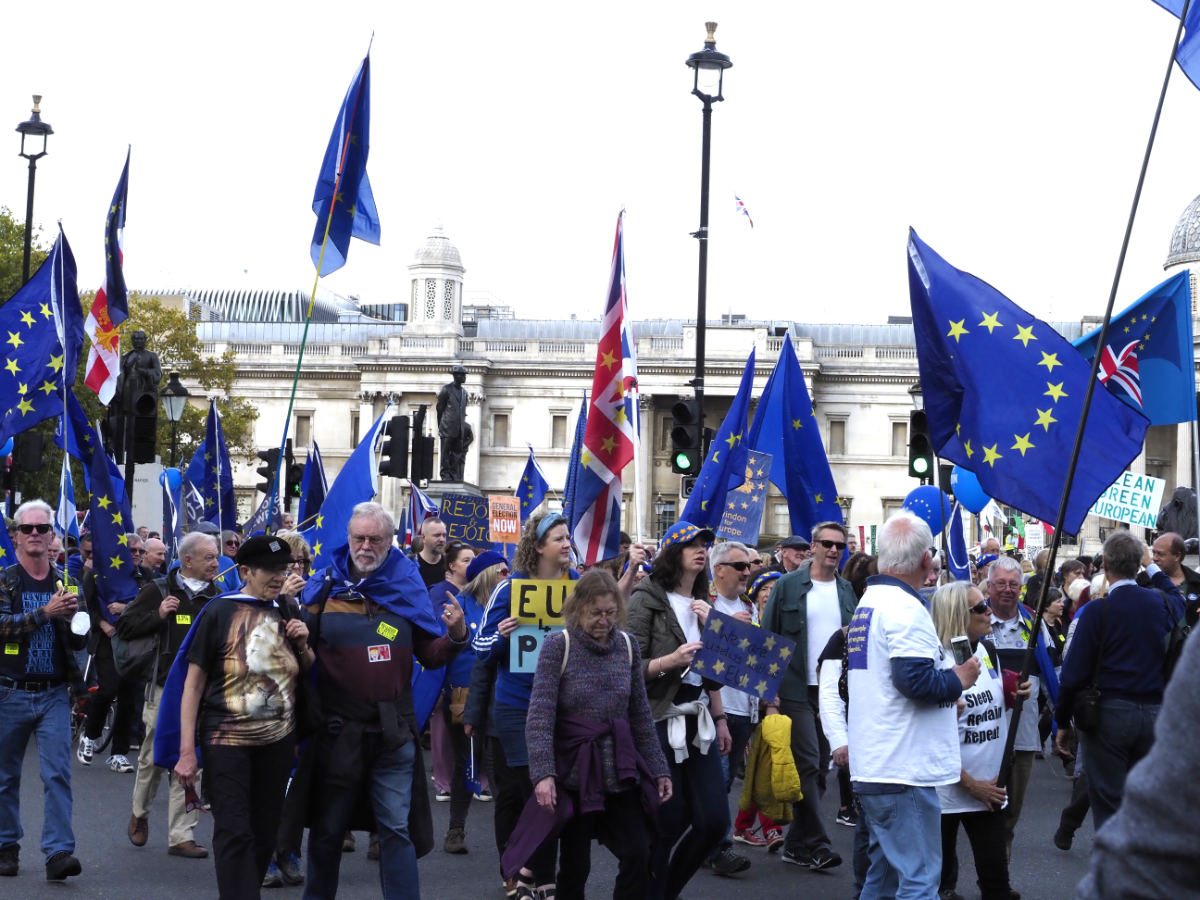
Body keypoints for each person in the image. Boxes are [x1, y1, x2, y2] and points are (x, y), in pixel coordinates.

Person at [300, 502, 468, 900]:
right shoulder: (323, 587)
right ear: (349, 538)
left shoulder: (406, 586)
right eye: (358, 538)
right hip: (336, 731)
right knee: (327, 830)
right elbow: (298, 654)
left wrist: (457, 635)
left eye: (375, 539)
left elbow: (430, 654)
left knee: (395, 829)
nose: (365, 546)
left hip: (392, 733)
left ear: (391, 541)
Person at [505, 569, 672, 899]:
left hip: (620, 772)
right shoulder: (558, 645)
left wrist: (659, 768)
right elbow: (539, 716)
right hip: (575, 774)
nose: (604, 620)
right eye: (596, 613)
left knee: (638, 852)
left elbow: (639, 714)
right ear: (578, 608)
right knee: (575, 865)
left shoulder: (627, 646)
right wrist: (543, 775)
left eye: (611, 613)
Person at [170, 535, 313, 898]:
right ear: (246, 571)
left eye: (285, 569)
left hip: (277, 744)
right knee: (235, 830)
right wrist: (187, 752)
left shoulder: (288, 609)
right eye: (271, 570)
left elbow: (306, 672)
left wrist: (303, 644)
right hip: (225, 741)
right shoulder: (220, 611)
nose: (280, 576)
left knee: (265, 831)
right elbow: (192, 686)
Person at [847, 511, 980, 899]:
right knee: (920, 881)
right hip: (902, 770)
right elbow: (914, 682)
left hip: (878, 765)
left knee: (884, 878)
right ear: (926, 560)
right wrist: (959, 679)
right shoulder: (905, 609)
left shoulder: (871, 602)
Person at [627, 520, 740, 900]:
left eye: (704, 545)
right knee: (668, 818)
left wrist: (721, 717)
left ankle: (664, 890)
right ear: (673, 553)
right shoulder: (647, 597)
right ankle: (647, 888)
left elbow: (715, 672)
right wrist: (671, 659)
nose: (700, 550)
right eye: (691, 544)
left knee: (713, 821)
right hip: (659, 718)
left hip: (700, 721)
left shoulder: (706, 603)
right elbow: (629, 666)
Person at [475, 510, 576, 899]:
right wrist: (501, 636)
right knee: (528, 793)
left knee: (552, 794)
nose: (567, 544)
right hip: (516, 708)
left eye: (569, 537)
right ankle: (516, 873)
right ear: (538, 547)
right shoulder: (510, 588)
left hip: (563, 708)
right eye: (559, 539)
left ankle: (540, 875)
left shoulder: (577, 586)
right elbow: (479, 648)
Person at [1054, 530, 1184, 829]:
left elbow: (1073, 673)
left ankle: (1114, 868)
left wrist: (1062, 722)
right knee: (1141, 802)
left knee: (1109, 804)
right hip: (1153, 713)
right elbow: (1177, 597)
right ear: (1138, 564)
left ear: (1106, 566)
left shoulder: (1097, 610)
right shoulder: (1158, 603)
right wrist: (1151, 565)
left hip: (1109, 714)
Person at [119, 532, 222, 857]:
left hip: (201, 692)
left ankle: (181, 835)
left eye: (216, 557)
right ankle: (139, 812)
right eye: (209, 557)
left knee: (190, 759)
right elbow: (125, 627)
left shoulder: (219, 597)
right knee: (152, 757)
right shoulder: (159, 590)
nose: (216, 563)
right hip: (163, 688)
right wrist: (158, 615)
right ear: (187, 560)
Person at [762, 520, 857, 870]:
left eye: (840, 545)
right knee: (807, 760)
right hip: (794, 687)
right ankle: (817, 843)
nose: (834, 550)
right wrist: (768, 698)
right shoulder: (786, 586)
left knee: (820, 767)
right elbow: (768, 640)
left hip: (834, 691)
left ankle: (796, 844)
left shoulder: (847, 590)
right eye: (827, 544)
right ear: (813, 547)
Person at [0, 500, 87, 882]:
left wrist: (72, 619)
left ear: (52, 535)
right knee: (4, 777)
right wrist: (45, 614)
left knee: (57, 774)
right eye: (27, 529)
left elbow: (80, 640)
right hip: (9, 691)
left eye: (42, 528)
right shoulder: (5, 580)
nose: (35, 534)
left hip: (54, 693)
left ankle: (58, 853)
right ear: (16, 536)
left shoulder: (67, 584)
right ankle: (6, 846)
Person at [930, 581, 1019, 900]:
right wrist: (969, 784)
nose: (989, 611)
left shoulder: (987, 648)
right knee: (939, 882)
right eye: (980, 607)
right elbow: (932, 738)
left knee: (997, 881)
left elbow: (990, 700)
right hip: (948, 792)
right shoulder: (935, 660)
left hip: (989, 787)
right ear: (957, 614)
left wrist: (1013, 691)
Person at [981, 555, 1057, 858]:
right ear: (989, 585)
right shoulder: (975, 619)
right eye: (1001, 583)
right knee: (973, 813)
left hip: (1023, 734)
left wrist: (1060, 721)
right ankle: (953, 879)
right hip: (982, 733)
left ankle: (1000, 878)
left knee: (1011, 813)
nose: (1008, 589)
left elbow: (1052, 673)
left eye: (1014, 584)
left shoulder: (1034, 623)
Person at [703, 542, 760, 863]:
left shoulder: (750, 606)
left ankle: (704, 840)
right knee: (717, 781)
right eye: (740, 566)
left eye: (748, 566)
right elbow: (696, 656)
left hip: (746, 708)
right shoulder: (704, 605)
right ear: (719, 569)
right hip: (717, 709)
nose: (747, 572)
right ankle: (717, 847)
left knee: (722, 785)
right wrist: (726, 630)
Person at [425, 541, 475, 838]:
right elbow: (433, 637)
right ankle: (456, 828)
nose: (470, 564)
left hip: (487, 689)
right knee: (464, 756)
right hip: (456, 689)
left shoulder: (485, 598)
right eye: (465, 559)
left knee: (485, 759)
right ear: (451, 566)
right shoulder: (440, 596)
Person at [1142, 531, 1200, 625]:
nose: (1154, 558)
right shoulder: (1142, 581)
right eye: (1154, 553)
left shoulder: (1197, 582)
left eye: (1160, 554)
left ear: (1177, 556)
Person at [436, 365, 473, 481]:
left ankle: (453, 474)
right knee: (445, 453)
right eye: (462, 375)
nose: (464, 377)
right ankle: (445, 474)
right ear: (456, 376)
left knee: (457, 454)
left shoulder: (464, 393)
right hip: (447, 427)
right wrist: (441, 426)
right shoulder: (446, 389)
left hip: (460, 429)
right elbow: (440, 408)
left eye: (465, 375)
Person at [416, 517, 449, 587]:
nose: (442, 539)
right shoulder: (411, 565)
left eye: (444, 535)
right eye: (437, 535)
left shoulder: (450, 565)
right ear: (423, 538)